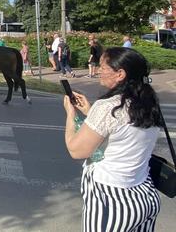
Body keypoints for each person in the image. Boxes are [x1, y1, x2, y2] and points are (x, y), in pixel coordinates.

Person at [63, 47, 162, 231]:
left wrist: (70, 114)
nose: (99, 70)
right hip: (145, 195)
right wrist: (90, 112)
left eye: (103, 67)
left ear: (120, 74)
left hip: (111, 199)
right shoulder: (148, 103)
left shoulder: (107, 107)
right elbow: (121, 132)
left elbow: (76, 150)